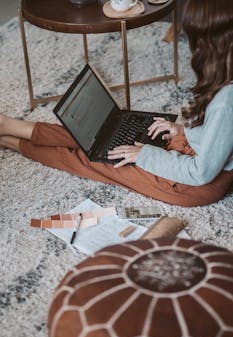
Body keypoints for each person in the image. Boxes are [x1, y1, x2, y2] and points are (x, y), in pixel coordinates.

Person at [1, 0, 233, 207]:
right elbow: (222, 136)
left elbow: (200, 173)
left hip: (192, 185)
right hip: (199, 154)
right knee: (99, 137)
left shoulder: (226, 102)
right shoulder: (227, 86)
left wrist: (143, 155)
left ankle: (10, 141)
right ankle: (10, 126)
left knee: (96, 161)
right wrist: (182, 130)